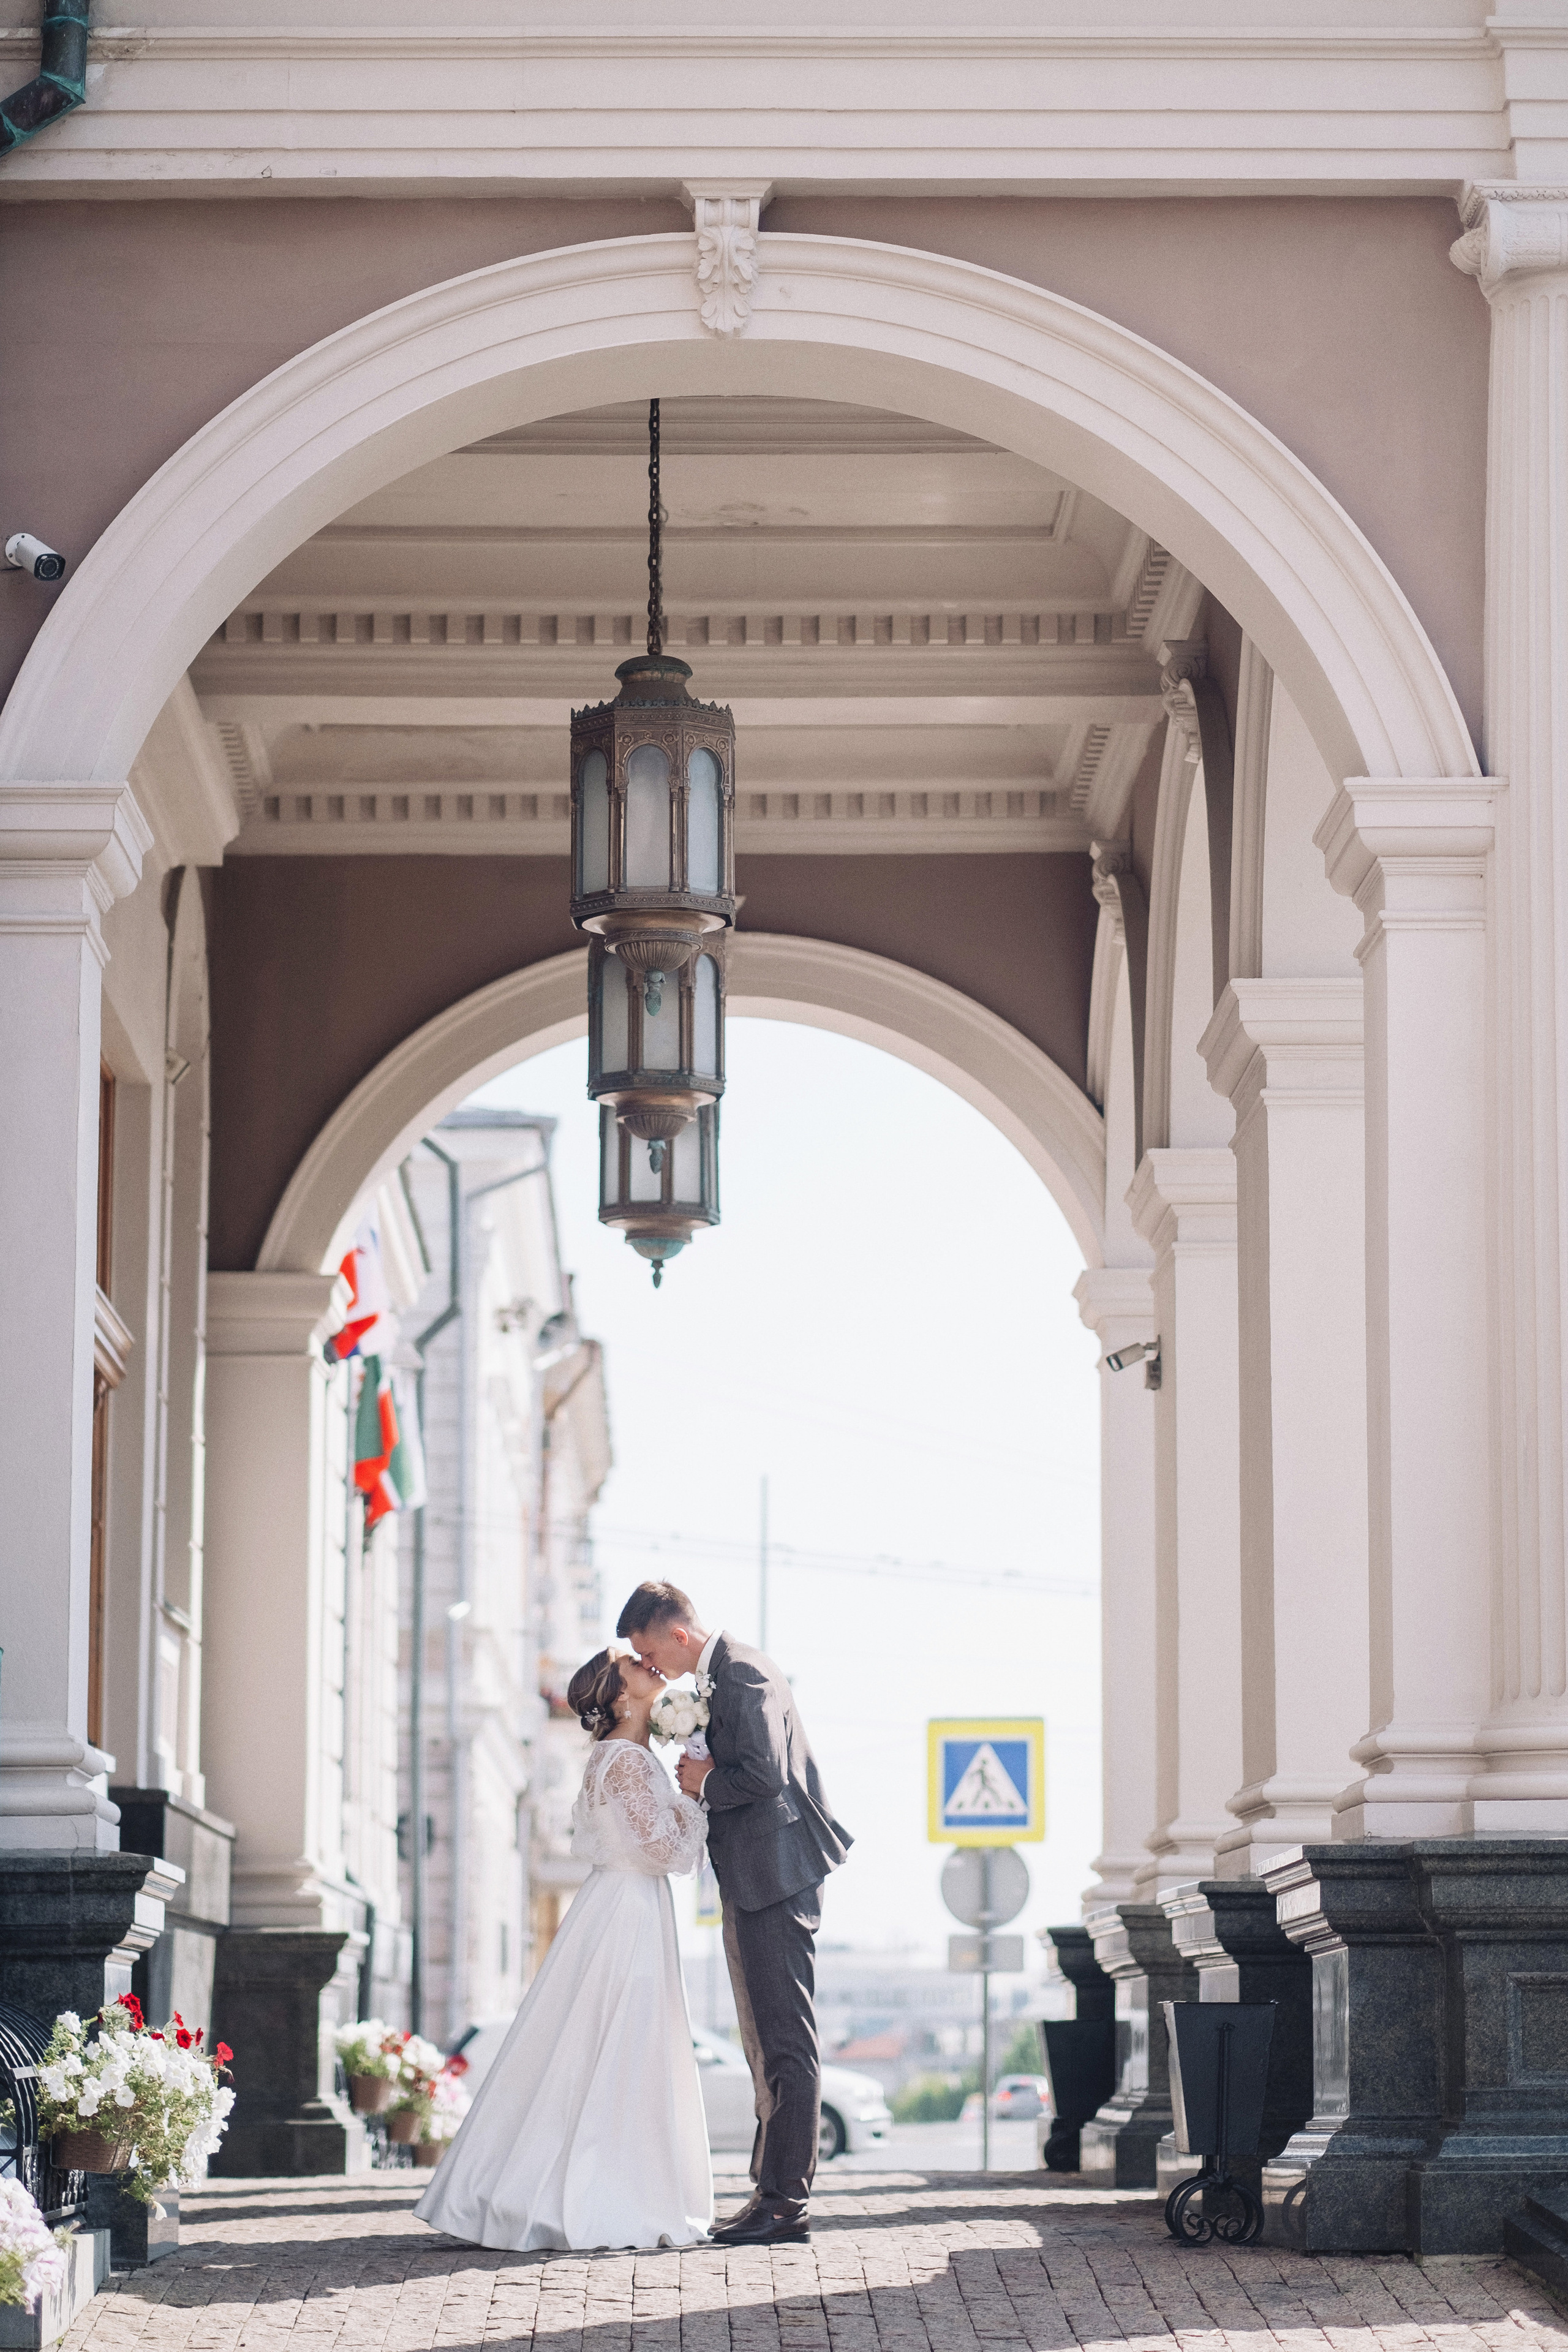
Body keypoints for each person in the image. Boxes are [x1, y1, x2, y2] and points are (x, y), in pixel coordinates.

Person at [413, 1643, 710, 2252]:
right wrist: (694, 1796)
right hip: (627, 1912)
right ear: (620, 1695)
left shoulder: (626, 1754)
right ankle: (604, 2194)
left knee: (602, 2045)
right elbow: (665, 1852)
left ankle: (598, 2182)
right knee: (622, 2044)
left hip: (623, 1905)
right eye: (632, 1663)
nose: (647, 1663)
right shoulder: (625, 1759)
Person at [617, 1580, 852, 2247]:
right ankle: (769, 2194)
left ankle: (785, 2203)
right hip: (757, 1878)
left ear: (678, 1634)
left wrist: (703, 1782)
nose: (651, 1666)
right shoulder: (721, 1673)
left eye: (650, 1652)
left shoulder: (743, 1673)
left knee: (785, 2042)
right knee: (762, 2041)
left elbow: (765, 1775)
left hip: (776, 1879)